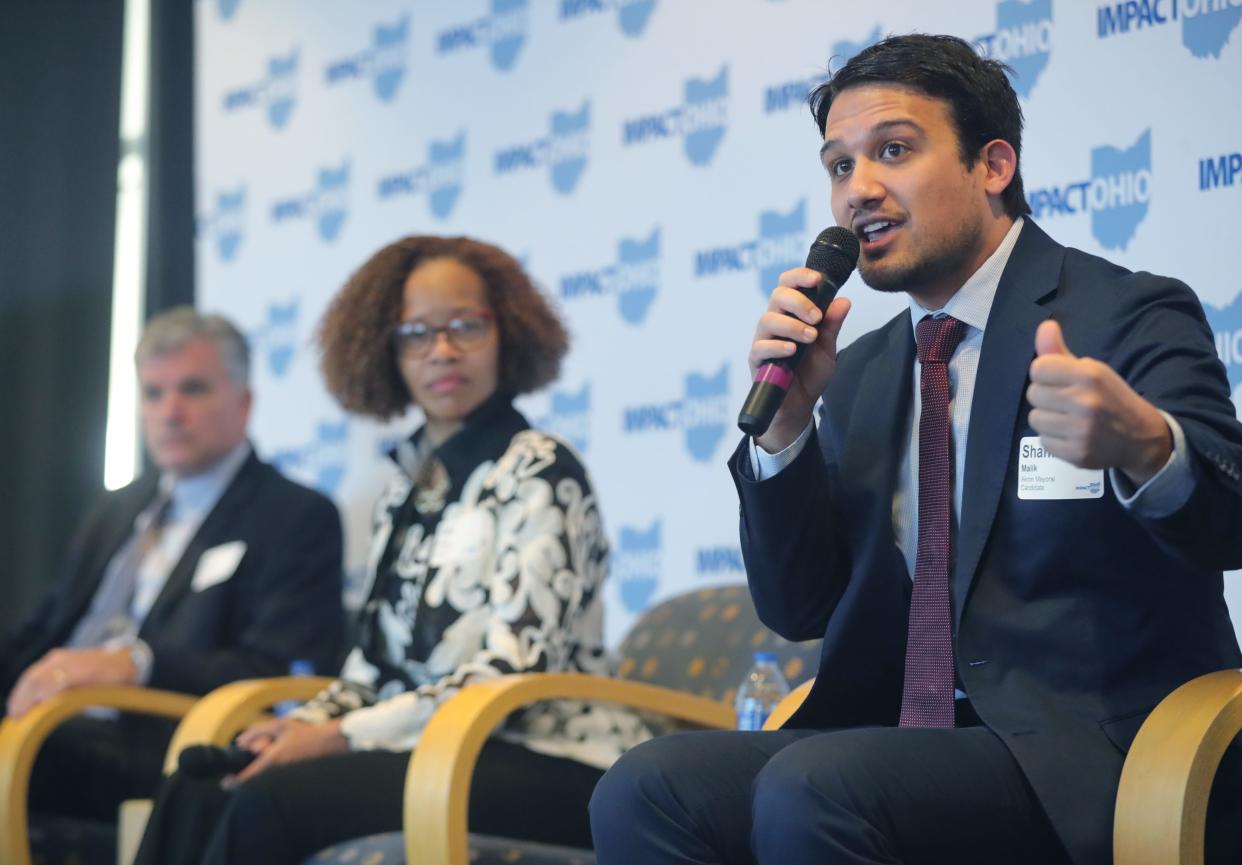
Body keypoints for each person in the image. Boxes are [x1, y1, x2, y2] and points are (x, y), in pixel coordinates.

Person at [589, 34, 1242, 865]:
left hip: (1093, 747)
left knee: (819, 784)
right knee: (646, 786)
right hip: (892, 743)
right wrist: (787, 425)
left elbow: (1231, 519)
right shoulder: (858, 371)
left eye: (892, 151)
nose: (858, 190)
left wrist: (1146, 445)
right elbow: (798, 608)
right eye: (838, 167)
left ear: (992, 165)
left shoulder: (1126, 315)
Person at [135, 235, 645, 865]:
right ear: (386, 351)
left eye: (466, 326)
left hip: (552, 758)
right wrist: (303, 725)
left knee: (272, 799)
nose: (443, 351)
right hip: (429, 747)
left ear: (507, 333)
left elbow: (513, 675)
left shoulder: (541, 470)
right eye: (416, 335)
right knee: (199, 785)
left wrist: (338, 737)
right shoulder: (406, 487)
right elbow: (371, 671)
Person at [1, 307, 345, 826]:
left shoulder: (294, 516)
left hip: (162, 741)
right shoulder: (116, 510)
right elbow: (42, 633)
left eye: (193, 389)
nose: (170, 412)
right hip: (56, 726)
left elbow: (273, 670)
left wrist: (136, 663)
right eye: (154, 394)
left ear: (244, 402)